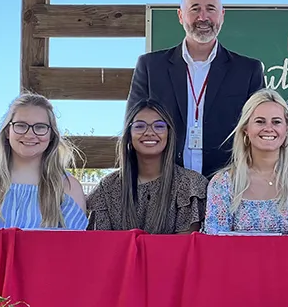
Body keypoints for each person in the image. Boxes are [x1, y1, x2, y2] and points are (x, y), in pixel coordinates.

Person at [127, 0, 264, 179]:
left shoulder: (248, 70)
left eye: (210, 9)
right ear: (181, 15)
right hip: (165, 186)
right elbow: (133, 127)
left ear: (222, 15)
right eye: (195, 9)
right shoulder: (150, 67)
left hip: (228, 186)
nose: (203, 17)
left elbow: (257, 131)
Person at [204, 89, 288, 235]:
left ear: (287, 129)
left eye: (276, 122)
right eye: (260, 121)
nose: (268, 128)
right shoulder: (223, 183)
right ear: (246, 129)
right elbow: (214, 245)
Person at [0, 93, 87, 230]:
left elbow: (75, 248)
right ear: (8, 131)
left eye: (40, 127)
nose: (30, 134)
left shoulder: (68, 187)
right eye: (21, 125)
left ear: (51, 135)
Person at [86, 100, 208, 234]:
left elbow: (185, 248)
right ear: (129, 134)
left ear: (169, 133)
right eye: (139, 126)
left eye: (159, 126)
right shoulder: (107, 187)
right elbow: (103, 246)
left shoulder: (190, 185)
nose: (149, 132)